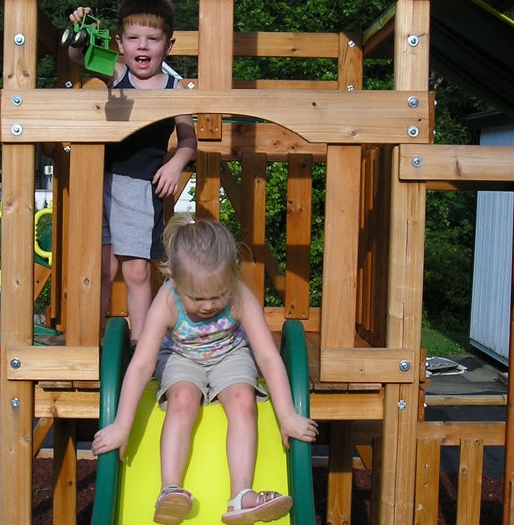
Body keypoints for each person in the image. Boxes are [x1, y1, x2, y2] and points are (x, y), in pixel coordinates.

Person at [91, 215, 319, 525]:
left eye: (217, 295)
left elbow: (267, 356)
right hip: (180, 357)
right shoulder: (167, 301)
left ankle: (241, 495)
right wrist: (121, 425)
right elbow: (142, 364)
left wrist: (288, 415)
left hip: (230, 355)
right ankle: (170, 489)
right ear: (173, 279)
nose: (209, 305)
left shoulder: (239, 295)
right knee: (183, 399)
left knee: (243, 399)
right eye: (197, 298)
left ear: (232, 273)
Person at [68, 2, 197, 348]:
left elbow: (188, 140)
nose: (142, 46)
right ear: (119, 43)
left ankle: (142, 345)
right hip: (101, 180)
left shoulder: (175, 89)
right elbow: (78, 56)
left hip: (139, 187)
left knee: (136, 270)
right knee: (101, 268)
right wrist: (80, 30)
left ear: (168, 45)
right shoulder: (116, 73)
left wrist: (175, 163)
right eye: (133, 38)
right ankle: (90, 342)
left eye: (152, 39)